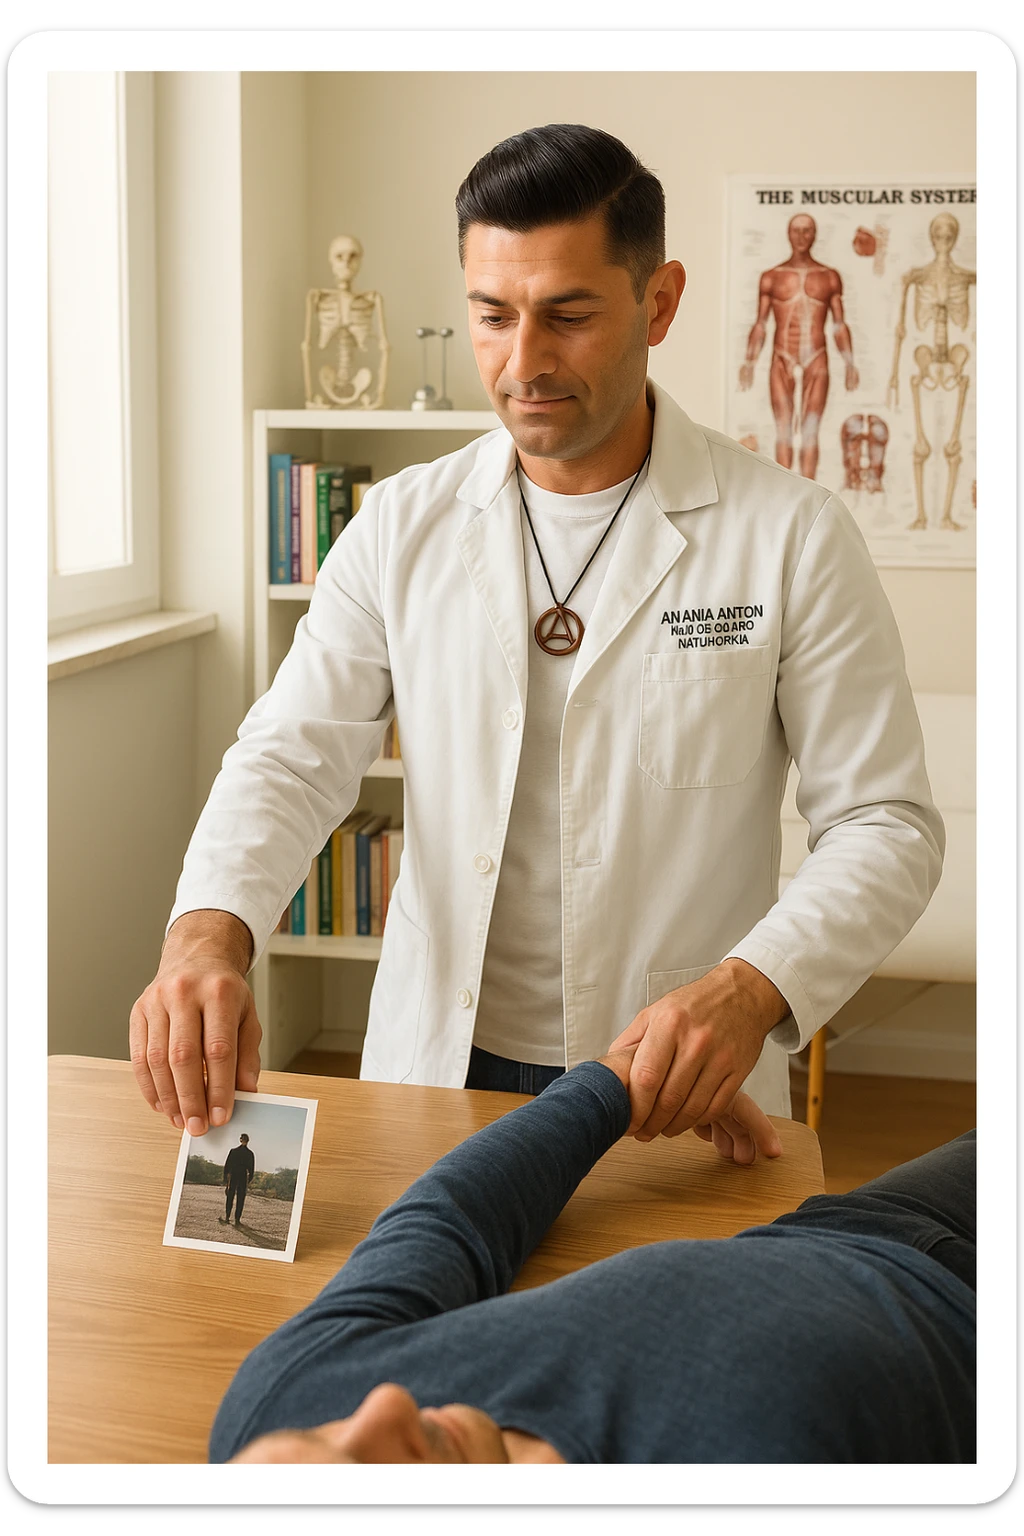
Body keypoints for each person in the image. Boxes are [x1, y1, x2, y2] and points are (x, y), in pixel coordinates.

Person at [129, 123, 942, 1146]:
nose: (524, 363)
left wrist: (747, 991)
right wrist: (208, 933)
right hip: (439, 1067)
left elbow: (884, 824)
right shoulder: (399, 525)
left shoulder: (790, 535)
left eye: (567, 316)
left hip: (666, 1078)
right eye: (491, 316)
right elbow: (292, 756)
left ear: (660, 300)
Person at [209, 1048, 975, 1464]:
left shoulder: (281, 1405)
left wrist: (614, 1085)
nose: (382, 1406)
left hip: (855, 1229)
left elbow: (447, 1221)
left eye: (323, 1442)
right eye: (366, 1480)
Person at [219, 1133, 254, 1227]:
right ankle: (233, 1219)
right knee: (237, 1197)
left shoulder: (237, 1151)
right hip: (239, 1176)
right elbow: (251, 1170)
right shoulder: (247, 1153)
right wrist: (248, 1181)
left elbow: (227, 1166)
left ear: (241, 1140)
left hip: (237, 1176)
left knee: (235, 1197)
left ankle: (231, 1218)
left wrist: (225, 1178)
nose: (243, 1141)